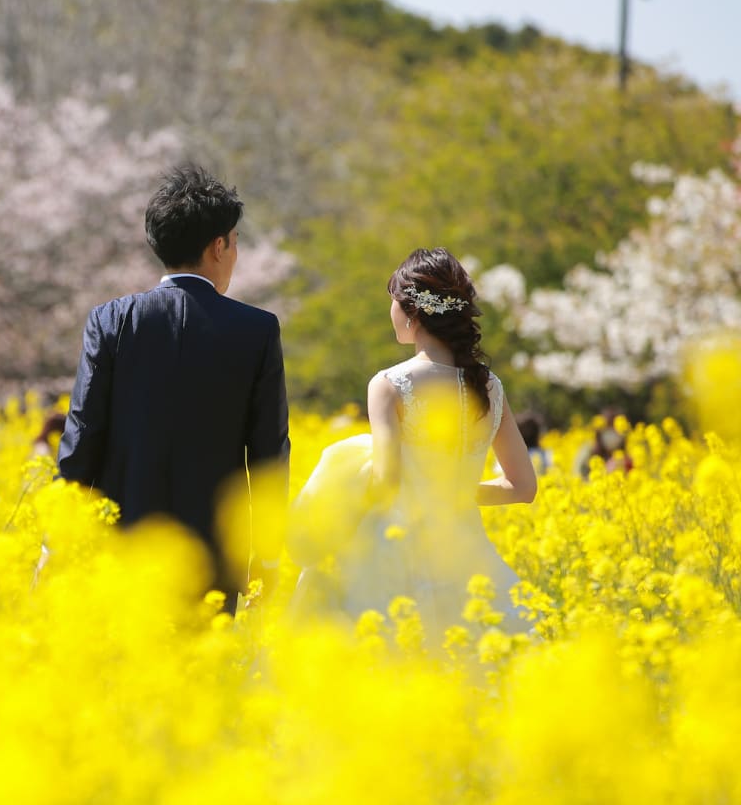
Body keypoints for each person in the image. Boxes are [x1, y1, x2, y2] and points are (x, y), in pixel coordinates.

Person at [57, 164, 290, 611]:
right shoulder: (256, 330)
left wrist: (56, 540)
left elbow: (82, 434)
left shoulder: (111, 321)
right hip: (214, 554)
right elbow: (268, 453)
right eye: (236, 243)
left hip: (121, 546)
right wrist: (267, 555)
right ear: (219, 245)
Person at [291, 247, 536, 642]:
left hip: (392, 552)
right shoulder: (490, 386)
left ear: (412, 311)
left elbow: (385, 482)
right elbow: (524, 488)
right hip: (463, 553)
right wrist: (449, 491)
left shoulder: (390, 384)